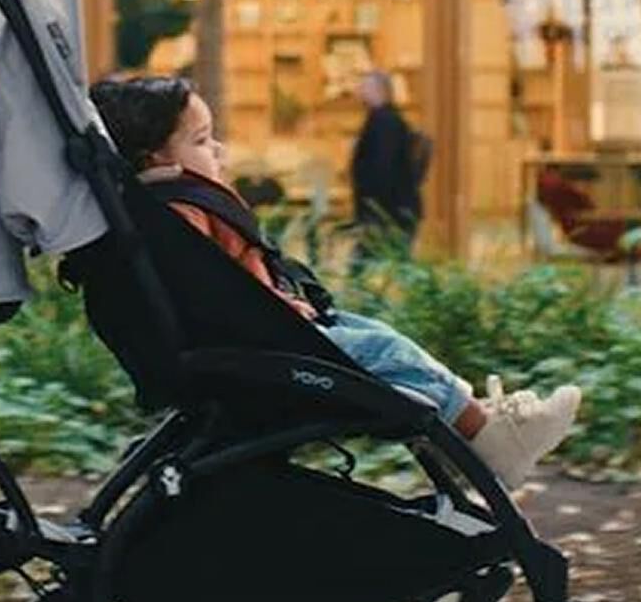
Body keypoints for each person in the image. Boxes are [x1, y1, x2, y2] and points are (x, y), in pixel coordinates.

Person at [89, 76, 581, 490]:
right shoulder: (179, 213)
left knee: (386, 350)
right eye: (200, 141)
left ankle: (476, 425)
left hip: (276, 334)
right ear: (155, 160)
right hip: (272, 346)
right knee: (388, 354)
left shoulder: (168, 210)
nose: (217, 149)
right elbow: (208, 287)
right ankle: (489, 437)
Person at [351, 69, 423, 254]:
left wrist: (373, 209)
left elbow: (384, 169)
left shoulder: (385, 122)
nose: (359, 90)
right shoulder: (383, 118)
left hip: (387, 213)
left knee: (361, 265)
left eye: (364, 87)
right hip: (386, 211)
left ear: (379, 90)